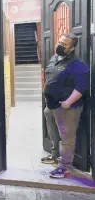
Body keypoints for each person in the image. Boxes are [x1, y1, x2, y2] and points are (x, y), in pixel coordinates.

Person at [42, 33, 90, 178]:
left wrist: (68, 102)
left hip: (66, 108)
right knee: (52, 131)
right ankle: (55, 155)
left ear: (72, 48)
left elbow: (81, 87)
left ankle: (65, 167)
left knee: (67, 137)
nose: (59, 45)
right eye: (60, 42)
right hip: (51, 105)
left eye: (64, 44)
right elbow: (49, 75)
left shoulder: (78, 64)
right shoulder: (54, 58)